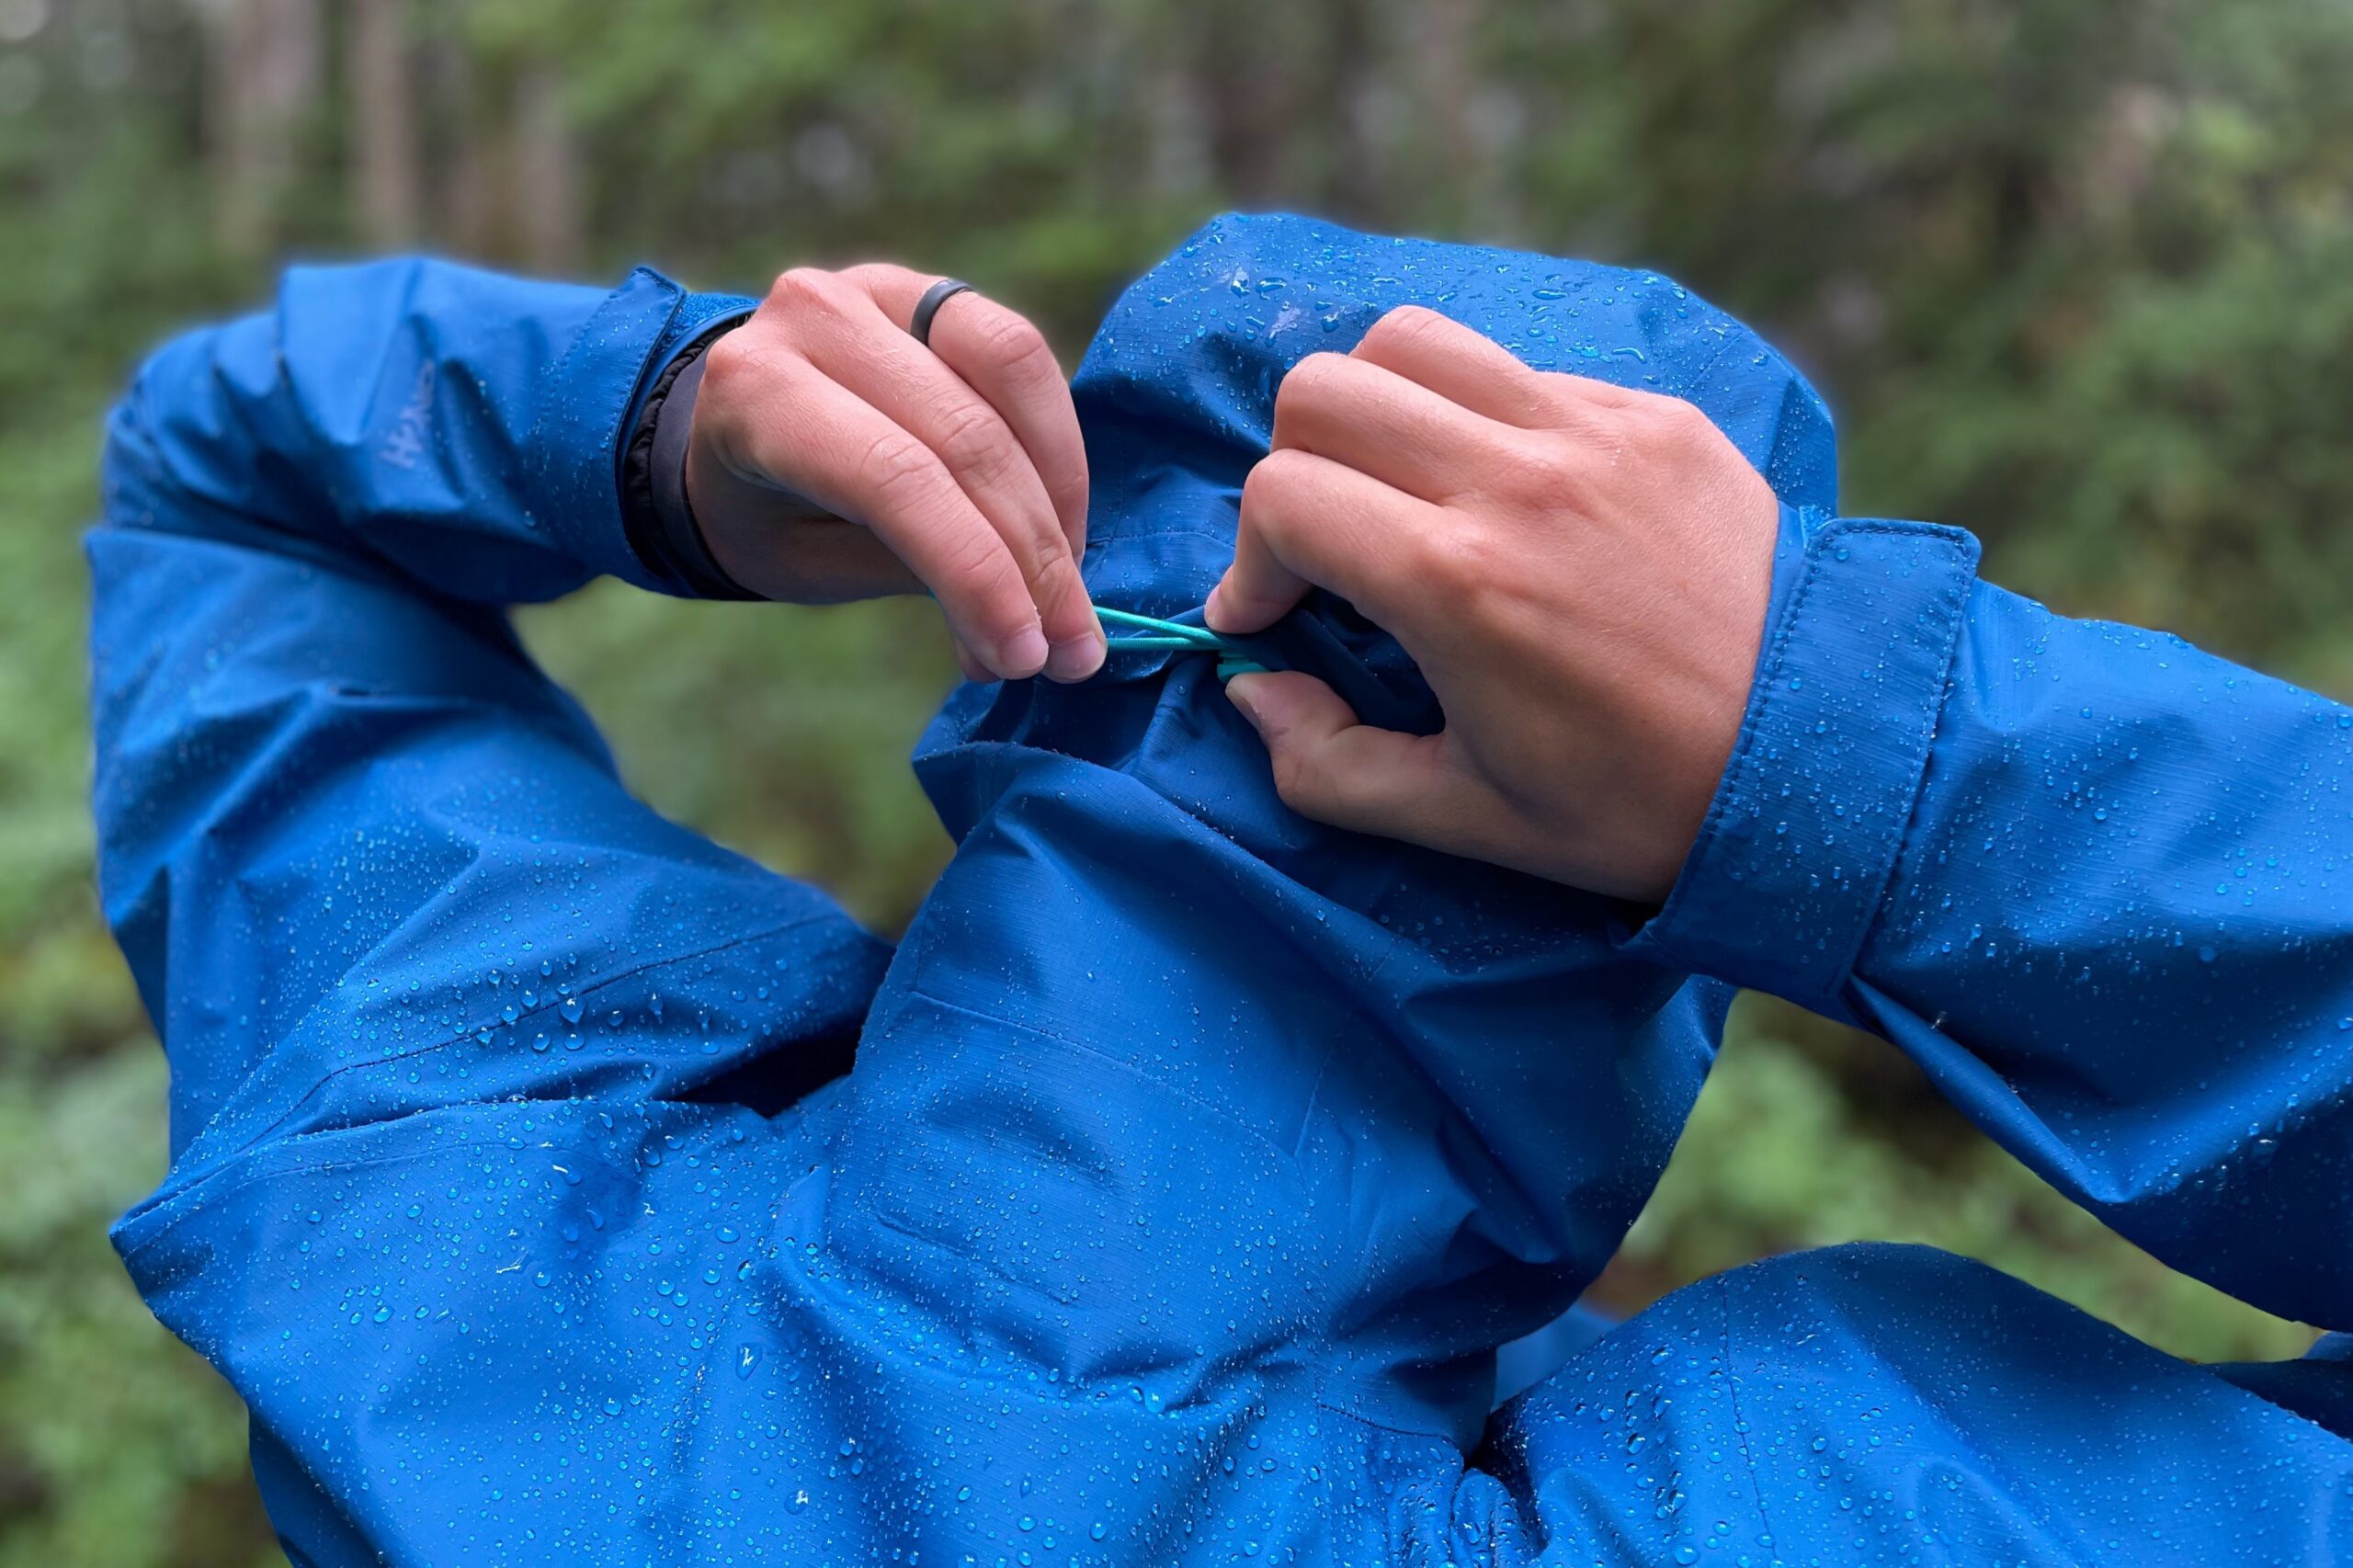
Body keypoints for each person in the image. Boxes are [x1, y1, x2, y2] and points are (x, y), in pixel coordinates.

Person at [87, 213, 2352, 1566]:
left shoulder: (462, 1225)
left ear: (1035, 722)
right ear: (1613, 952)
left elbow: (208, 488)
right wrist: (1858, 755)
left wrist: (655, 428)